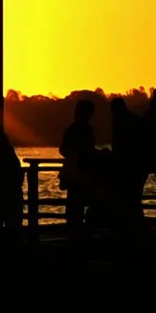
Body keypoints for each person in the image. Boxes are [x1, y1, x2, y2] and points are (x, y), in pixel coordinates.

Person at [60, 96, 100, 230]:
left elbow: (63, 149)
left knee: (74, 202)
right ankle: (78, 229)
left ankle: (74, 228)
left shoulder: (72, 128)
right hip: (81, 172)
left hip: (74, 172)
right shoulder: (84, 129)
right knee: (79, 202)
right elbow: (88, 150)